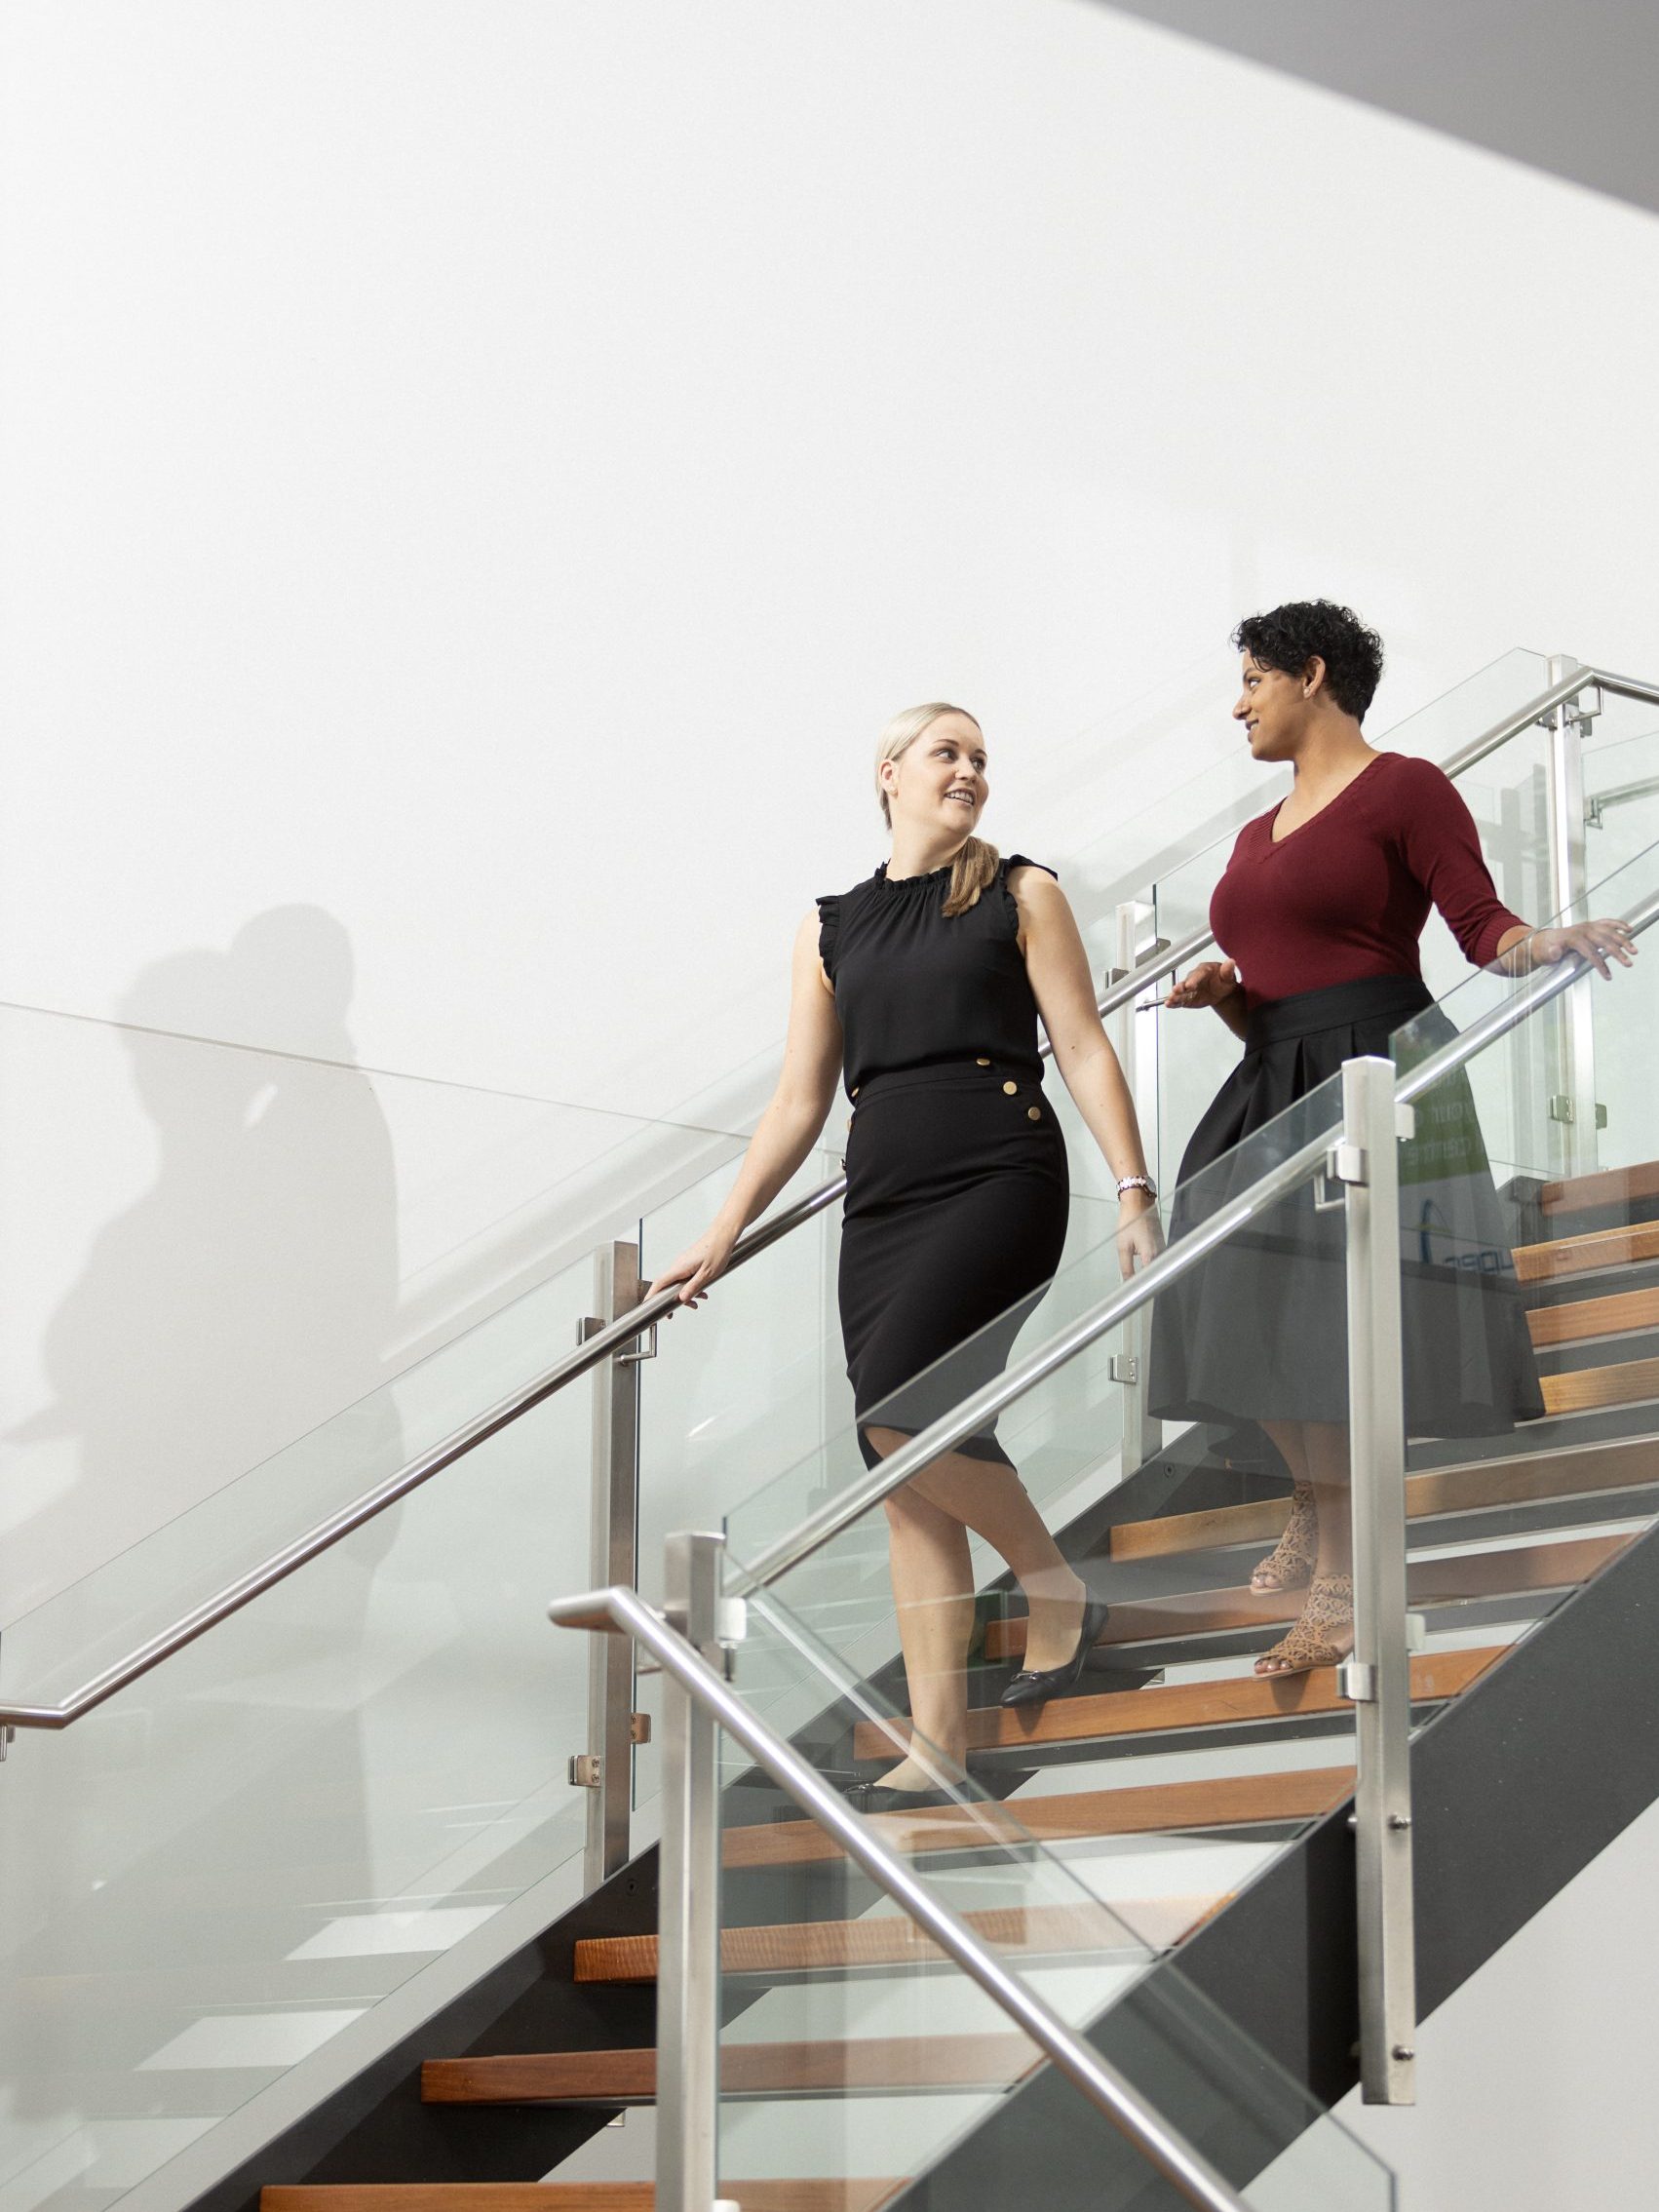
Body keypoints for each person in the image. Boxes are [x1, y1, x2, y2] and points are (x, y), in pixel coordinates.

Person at [652, 702, 1161, 1806]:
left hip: (998, 1174)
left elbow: (1079, 1041)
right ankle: (941, 1746)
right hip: (882, 1201)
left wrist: (1130, 1185)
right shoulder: (829, 926)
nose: (970, 771)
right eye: (947, 753)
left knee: (896, 1411)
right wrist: (721, 1233)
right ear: (888, 773)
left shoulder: (1022, 891)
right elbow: (798, 1102)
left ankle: (1052, 1578)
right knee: (904, 1482)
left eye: (981, 757)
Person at [1150, 602, 1638, 1678]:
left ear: (1311, 673)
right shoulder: (1251, 833)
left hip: (1376, 1071)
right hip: (1269, 1075)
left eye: (1252, 680)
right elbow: (1279, 970)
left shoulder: (1404, 788)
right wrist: (1230, 994)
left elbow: (1480, 926)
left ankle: (1343, 1575)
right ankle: (1316, 1500)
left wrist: (1542, 939)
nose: (1238, 704)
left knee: (1333, 1322)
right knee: (1226, 1289)